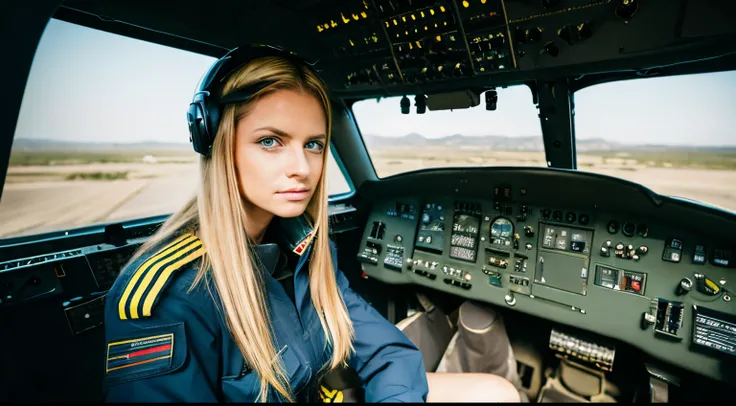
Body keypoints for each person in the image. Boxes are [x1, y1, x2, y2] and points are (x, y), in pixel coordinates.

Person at [102, 44, 520, 403]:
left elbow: (385, 351)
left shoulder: (307, 247)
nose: (301, 168)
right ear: (216, 140)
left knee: (497, 391)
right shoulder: (167, 296)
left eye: (314, 145)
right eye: (270, 141)